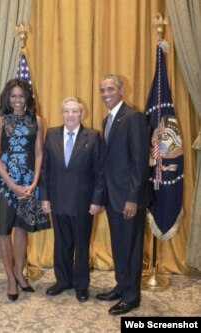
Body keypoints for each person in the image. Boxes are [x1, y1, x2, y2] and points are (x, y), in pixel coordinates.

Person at [0, 78, 50, 301]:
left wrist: (35, 181)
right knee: (3, 229)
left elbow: (39, 153)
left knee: (22, 228)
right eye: (13, 96)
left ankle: (20, 271)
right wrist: (11, 184)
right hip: (3, 182)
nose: (18, 100)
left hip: (27, 181)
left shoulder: (37, 120)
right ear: (7, 98)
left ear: (28, 97)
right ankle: (10, 276)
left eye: (21, 96)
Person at [40, 97, 104, 302]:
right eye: (66, 111)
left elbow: (100, 172)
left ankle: (81, 284)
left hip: (83, 203)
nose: (70, 115)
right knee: (61, 243)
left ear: (81, 114)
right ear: (62, 113)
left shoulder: (93, 136)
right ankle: (63, 281)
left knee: (81, 244)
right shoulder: (51, 134)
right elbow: (45, 169)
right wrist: (45, 197)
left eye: (74, 111)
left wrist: (96, 200)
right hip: (57, 200)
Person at [96, 74, 150, 315]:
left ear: (121, 90)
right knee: (119, 245)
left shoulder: (134, 117)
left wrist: (132, 198)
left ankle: (131, 296)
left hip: (128, 199)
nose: (106, 93)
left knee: (130, 247)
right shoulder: (107, 119)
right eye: (102, 90)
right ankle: (121, 285)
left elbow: (140, 162)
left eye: (110, 89)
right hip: (112, 197)